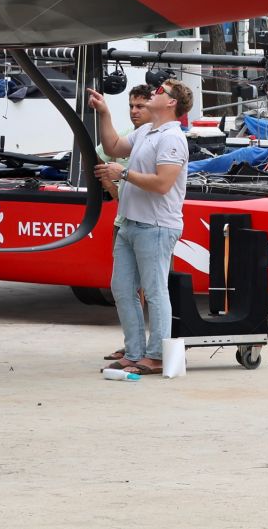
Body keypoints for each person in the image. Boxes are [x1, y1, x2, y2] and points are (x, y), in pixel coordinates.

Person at [88, 79, 194, 374]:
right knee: (121, 288)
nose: (154, 93)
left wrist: (123, 174)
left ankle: (157, 354)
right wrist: (104, 113)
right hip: (131, 223)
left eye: (161, 91)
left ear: (171, 103)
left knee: (155, 290)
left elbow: (162, 184)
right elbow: (112, 146)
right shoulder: (147, 130)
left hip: (156, 225)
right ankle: (134, 352)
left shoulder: (172, 137)